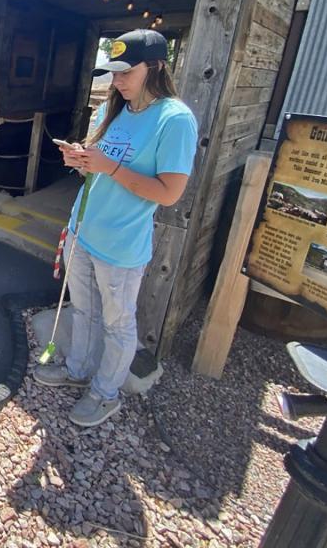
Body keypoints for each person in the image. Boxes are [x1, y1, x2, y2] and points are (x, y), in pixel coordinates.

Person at [33, 29, 198, 427]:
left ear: (156, 66)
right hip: (82, 230)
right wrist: (81, 161)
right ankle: (77, 371)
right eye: (114, 72)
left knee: (118, 324)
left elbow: (170, 193)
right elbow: (101, 173)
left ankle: (105, 394)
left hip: (121, 245)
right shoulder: (113, 110)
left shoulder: (175, 120)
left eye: (127, 72)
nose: (118, 81)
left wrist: (108, 166)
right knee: (84, 310)